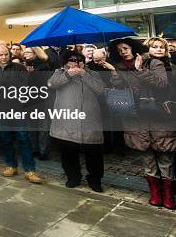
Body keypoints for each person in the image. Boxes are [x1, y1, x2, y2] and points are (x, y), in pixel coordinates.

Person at [102, 37, 175, 209]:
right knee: (147, 158)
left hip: (158, 117)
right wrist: (113, 71)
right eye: (119, 50)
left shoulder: (153, 63)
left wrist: (140, 69)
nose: (123, 52)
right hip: (136, 118)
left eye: (126, 48)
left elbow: (161, 84)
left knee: (165, 157)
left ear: (133, 47)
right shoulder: (119, 67)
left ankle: (169, 196)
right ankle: (155, 194)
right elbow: (119, 88)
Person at [48, 50, 105, 192]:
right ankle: (73, 177)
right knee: (68, 152)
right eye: (72, 59)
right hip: (67, 119)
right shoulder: (59, 72)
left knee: (94, 153)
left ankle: (95, 179)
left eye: (79, 60)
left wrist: (84, 75)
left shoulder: (93, 74)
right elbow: (51, 84)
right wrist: (68, 75)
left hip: (90, 119)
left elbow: (100, 90)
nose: (76, 62)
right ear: (66, 61)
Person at [0, 44, 42, 183]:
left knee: (24, 138)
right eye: (0, 55)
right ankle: (11, 165)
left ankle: (30, 170)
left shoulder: (19, 68)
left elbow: (26, 88)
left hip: (18, 110)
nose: (4, 57)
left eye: (6, 54)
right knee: (5, 139)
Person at [22, 46, 53, 160]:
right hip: (29, 101)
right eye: (24, 52)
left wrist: (32, 74)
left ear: (35, 53)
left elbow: (43, 84)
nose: (25, 54)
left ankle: (43, 151)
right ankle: (34, 149)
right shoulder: (23, 66)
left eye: (28, 52)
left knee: (43, 128)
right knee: (31, 127)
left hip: (43, 100)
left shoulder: (44, 66)